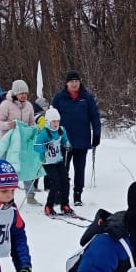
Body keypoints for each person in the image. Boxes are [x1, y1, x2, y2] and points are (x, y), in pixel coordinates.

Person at [52, 70, 102, 206]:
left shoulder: (87, 98)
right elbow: (51, 118)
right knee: (63, 170)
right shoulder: (59, 98)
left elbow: (95, 117)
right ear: (66, 83)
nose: (74, 84)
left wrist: (97, 134)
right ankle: (61, 194)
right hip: (64, 141)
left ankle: (77, 194)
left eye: (76, 81)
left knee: (80, 170)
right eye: (71, 81)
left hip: (82, 140)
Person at [0, 80, 40, 205]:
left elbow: (31, 122)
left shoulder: (29, 105)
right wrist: (9, 125)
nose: (24, 95)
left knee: (27, 168)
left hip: (24, 144)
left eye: (25, 93)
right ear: (15, 93)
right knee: (8, 170)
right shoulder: (6, 105)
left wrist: (33, 130)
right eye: (21, 93)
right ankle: (4, 196)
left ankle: (30, 195)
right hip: (8, 143)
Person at [34, 106, 72, 216]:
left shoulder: (61, 130)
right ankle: (49, 206)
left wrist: (67, 144)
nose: (56, 124)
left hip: (58, 160)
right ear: (47, 122)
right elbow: (36, 146)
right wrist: (44, 147)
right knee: (55, 183)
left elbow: (65, 140)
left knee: (65, 181)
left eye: (57, 121)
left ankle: (65, 204)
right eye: (53, 122)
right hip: (47, 161)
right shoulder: (44, 132)